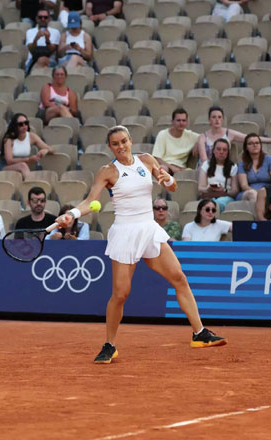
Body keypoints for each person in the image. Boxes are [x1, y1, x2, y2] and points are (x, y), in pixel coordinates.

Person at [55, 125, 226, 364]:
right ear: (111, 147)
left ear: (130, 140)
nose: (121, 146)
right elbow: (89, 202)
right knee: (120, 294)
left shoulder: (147, 160)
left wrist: (169, 180)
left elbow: (171, 186)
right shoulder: (107, 171)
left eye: (124, 141)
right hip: (125, 233)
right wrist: (71, 214)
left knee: (179, 278)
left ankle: (199, 333)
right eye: (116, 144)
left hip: (148, 228)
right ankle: (110, 344)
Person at [195, 106, 271, 164]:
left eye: (219, 117)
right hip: (206, 168)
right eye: (214, 117)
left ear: (223, 119)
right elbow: (204, 160)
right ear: (209, 119)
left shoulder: (229, 133)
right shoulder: (203, 137)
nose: (217, 120)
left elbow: (250, 138)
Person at [1, 113, 54, 179]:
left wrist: (46, 150)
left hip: (25, 167)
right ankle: (32, 185)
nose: (24, 126)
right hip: (7, 167)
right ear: (15, 126)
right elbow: (9, 161)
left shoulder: (31, 136)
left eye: (26, 123)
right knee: (23, 165)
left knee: (24, 166)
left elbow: (52, 150)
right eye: (20, 124)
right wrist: (28, 159)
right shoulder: (9, 139)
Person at [152, 108, 200, 175]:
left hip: (181, 169)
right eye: (178, 120)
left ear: (187, 122)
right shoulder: (162, 134)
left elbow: (206, 137)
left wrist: (198, 142)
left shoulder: (190, 135)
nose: (181, 123)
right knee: (162, 169)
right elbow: (156, 158)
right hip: (166, 166)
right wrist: (171, 167)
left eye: (183, 120)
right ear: (172, 122)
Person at [197, 138, 238, 212]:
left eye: (224, 150)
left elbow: (234, 191)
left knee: (217, 204)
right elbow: (200, 188)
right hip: (209, 195)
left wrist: (224, 190)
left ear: (228, 152)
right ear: (213, 151)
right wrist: (208, 189)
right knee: (205, 205)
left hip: (225, 197)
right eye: (218, 149)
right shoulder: (206, 164)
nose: (221, 152)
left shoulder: (233, 166)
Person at [237, 133, 271, 203]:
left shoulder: (270, 160)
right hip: (248, 192)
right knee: (252, 194)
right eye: (250, 143)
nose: (254, 145)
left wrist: (263, 192)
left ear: (260, 145)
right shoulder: (242, 164)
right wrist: (256, 192)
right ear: (246, 147)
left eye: (257, 143)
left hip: (267, 191)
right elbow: (244, 185)